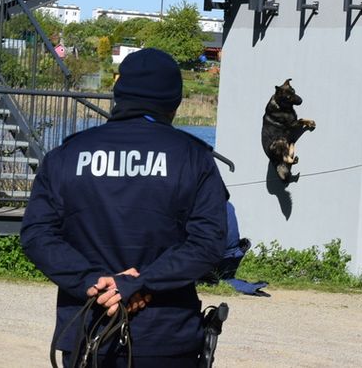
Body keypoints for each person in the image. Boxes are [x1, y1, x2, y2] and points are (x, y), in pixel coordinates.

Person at [21, 47, 229, 367]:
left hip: (87, 329)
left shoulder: (67, 155)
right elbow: (208, 243)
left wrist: (93, 281)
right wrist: (138, 283)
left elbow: (37, 234)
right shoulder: (193, 157)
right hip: (166, 336)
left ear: (118, 95)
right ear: (174, 102)